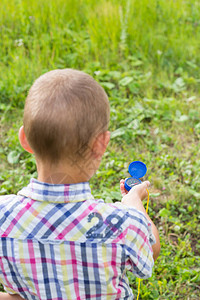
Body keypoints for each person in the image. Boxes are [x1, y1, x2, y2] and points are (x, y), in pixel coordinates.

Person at [0, 69, 160, 300]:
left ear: (24, 139)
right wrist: (133, 202)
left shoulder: (3, 216)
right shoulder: (124, 221)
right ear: (101, 144)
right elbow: (151, 249)